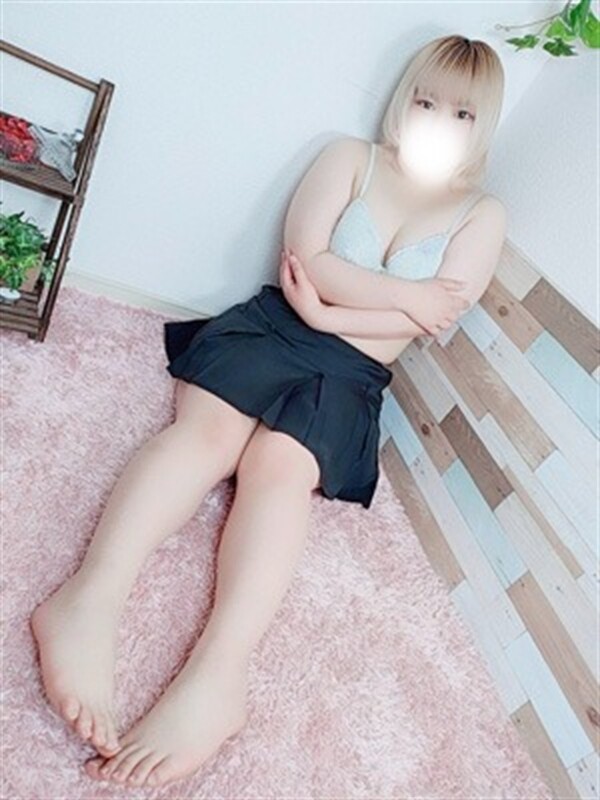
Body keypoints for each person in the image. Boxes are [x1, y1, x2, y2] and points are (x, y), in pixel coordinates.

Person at [30, 34, 507, 788]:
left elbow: (426, 323)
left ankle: (218, 676)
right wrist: (393, 297)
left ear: (482, 124)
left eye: (460, 112)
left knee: (280, 469)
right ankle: (90, 597)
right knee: (208, 436)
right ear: (405, 97)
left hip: (349, 372)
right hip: (274, 327)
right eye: (425, 100)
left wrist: (333, 309)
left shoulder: (482, 214)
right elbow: (306, 262)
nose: (437, 121)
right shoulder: (352, 158)